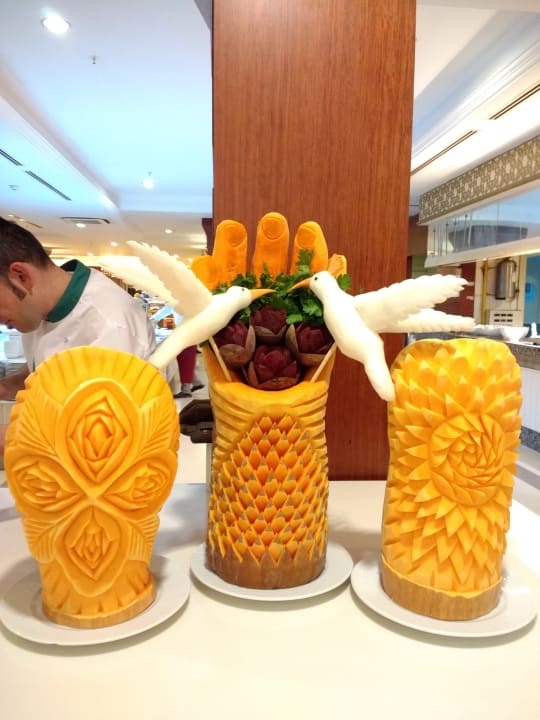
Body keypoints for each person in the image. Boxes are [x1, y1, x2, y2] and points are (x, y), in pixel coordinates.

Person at [0, 216, 160, 451]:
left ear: (21, 276)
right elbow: (49, 370)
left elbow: (101, 429)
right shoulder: (35, 308)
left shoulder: (110, 324)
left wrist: (10, 435)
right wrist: (6, 386)